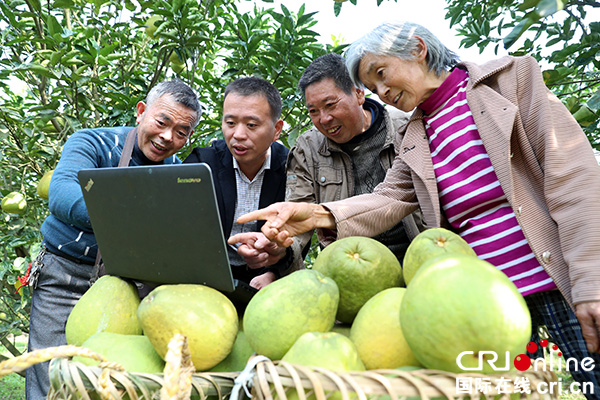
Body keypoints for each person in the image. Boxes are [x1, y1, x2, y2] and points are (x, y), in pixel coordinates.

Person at [237, 21, 600, 397]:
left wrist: (591, 280)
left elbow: (572, 177)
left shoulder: (510, 82)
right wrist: (313, 215)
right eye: (374, 85)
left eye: (381, 74)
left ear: (418, 48)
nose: (383, 91)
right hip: (480, 306)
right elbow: (390, 197)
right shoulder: (415, 133)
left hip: (555, 282)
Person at [26, 79, 201, 399]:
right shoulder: (91, 142)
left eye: (181, 131)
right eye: (162, 122)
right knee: (49, 372)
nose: (167, 137)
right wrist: (130, 217)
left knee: (107, 381)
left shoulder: (179, 174)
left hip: (127, 285)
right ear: (141, 111)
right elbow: (61, 194)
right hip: (66, 273)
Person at [231, 53, 424, 271]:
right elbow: (298, 222)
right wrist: (279, 250)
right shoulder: (308, 149)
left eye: (330, 105)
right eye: (313, 111)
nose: (324, 119)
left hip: (418, 259)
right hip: (347, 266)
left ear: (359, 93)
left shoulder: (407, 128)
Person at [184, 76, 291, 291]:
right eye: (230, 123)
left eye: (251, 125)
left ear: (276, 129)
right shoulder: (202, 164)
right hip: (206, 279)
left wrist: (273, 272)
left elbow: (299, 236)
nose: (238, 135)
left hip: (266, 280)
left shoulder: (291, 168)